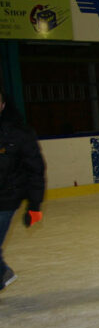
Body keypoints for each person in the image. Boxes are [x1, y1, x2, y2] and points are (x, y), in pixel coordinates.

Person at [0, 89, 46, 292]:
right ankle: (2, 272)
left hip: (6, 199)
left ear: (2, 106)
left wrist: (34, 205)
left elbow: (35, 170)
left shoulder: (19, 134)